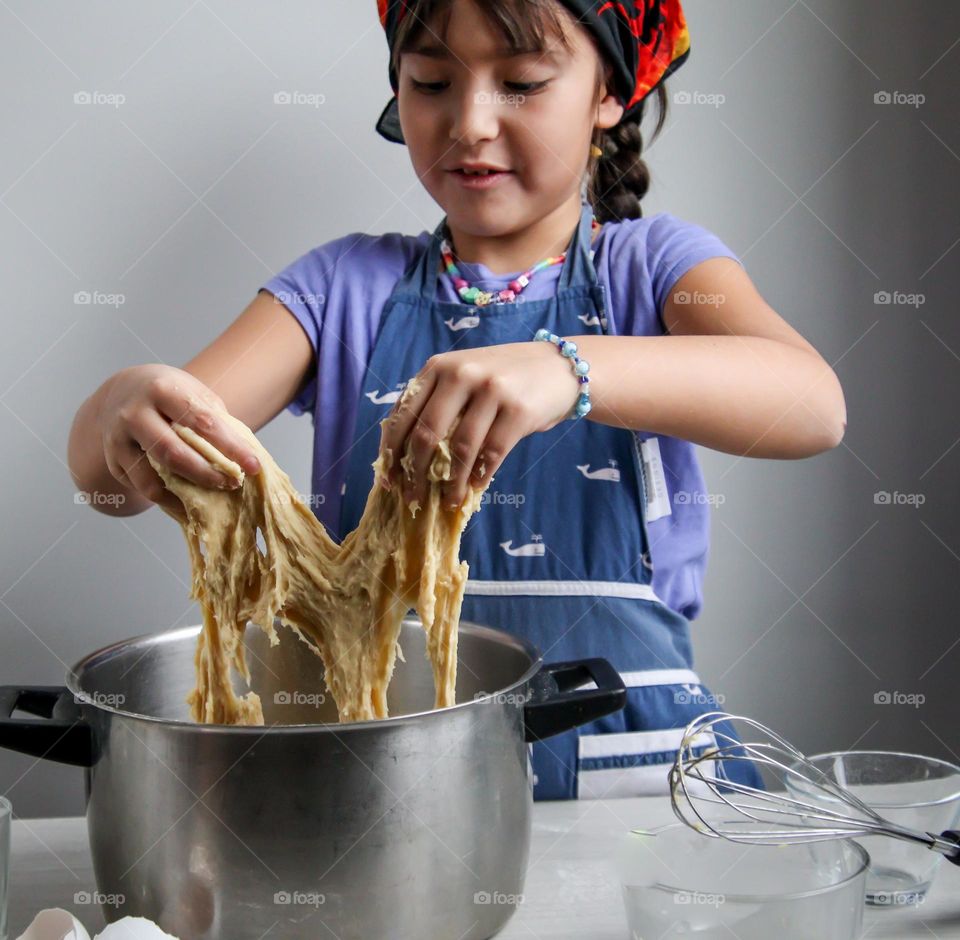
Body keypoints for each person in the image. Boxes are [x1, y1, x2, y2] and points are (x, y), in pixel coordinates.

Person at [68, 0, 846, 800]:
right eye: (432, 81)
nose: (470, 122)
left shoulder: (653, 269)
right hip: (397, 793)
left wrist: (568, 370)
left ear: (608, 93)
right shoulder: (344, 291)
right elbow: (113, 478)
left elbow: (813, 406)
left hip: (648, 789)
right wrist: (119, 406)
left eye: (522, 82)